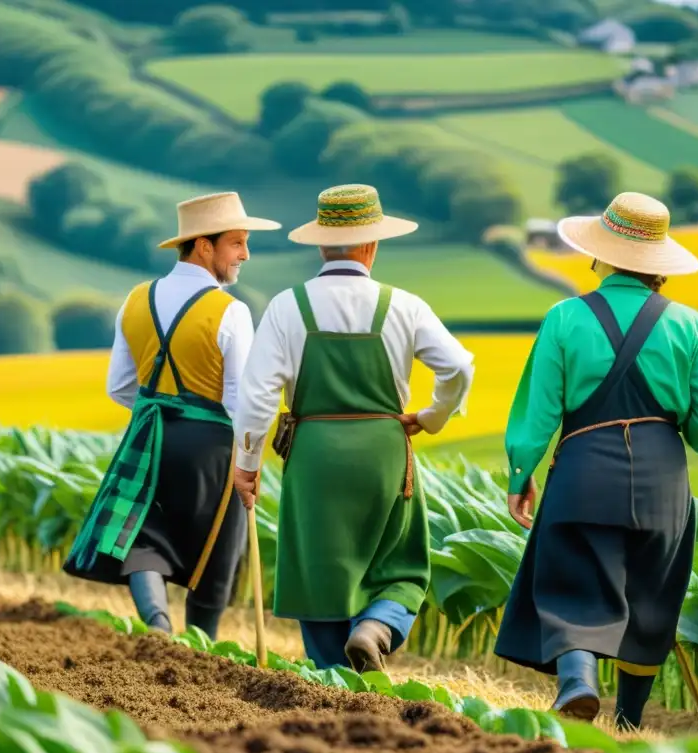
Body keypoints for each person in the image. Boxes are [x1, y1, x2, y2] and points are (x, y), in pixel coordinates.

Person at [493, 192, 698, 729]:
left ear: (600, 254)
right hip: (662, 477)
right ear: (659, 263)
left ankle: (579, 683)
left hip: (583, 469)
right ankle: (629, 721)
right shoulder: (688, 325)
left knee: (573, 579)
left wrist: (522, 472)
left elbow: (536, 414)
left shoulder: (564, 318)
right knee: (652, 592)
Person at [232, 183, 474, 673]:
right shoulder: (403, 305)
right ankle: (377, 626)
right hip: (385, 451)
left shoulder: (285, 306)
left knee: (320, 572)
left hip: (314, 454)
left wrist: (247, 464)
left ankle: (330, 684)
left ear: (321, 244)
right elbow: (458, 367)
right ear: (372, 245)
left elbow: (256, 396)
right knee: (399, 564)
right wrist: (431, 417)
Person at [63, 192, 281, 643]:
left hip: (150, 437)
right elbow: (243, 398)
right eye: (237, 243)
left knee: (145, 535)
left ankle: (158, 626)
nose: (245, 254)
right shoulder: (231, 311)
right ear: (204, 246)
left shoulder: (136, 299)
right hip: (212, 448)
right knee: (216, 552)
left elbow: (119, 386)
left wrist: (160, 412)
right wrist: (250, 462)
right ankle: (201, 647)